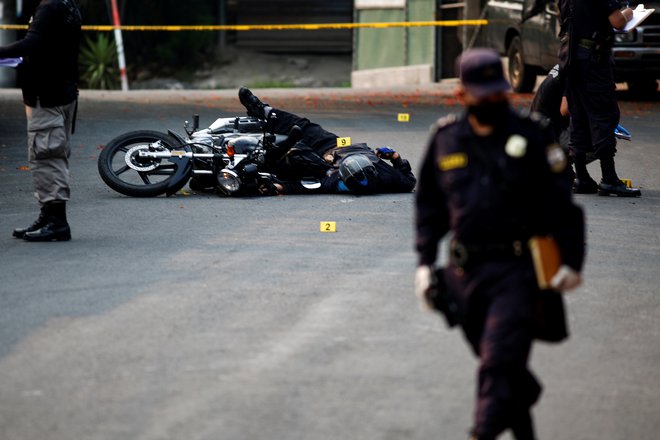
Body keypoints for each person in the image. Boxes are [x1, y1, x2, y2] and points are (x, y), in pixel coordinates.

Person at [414, 48, 586, 440]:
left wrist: (572, 262)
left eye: (498, 92)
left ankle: (483, 432)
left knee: (497, 365)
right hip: (465, 276)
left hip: (518, 272)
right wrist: (424, 265)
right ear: (462, 95)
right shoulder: (446, 139)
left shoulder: (533, 134)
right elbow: (430, 208)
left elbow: (564, 205)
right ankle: (525, 408)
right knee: (504, 368)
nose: (493, 100)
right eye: (483, 94)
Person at [237, 87, 417, 195]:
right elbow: (410, 181)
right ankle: (264, 112)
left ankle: (265, 159)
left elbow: (307, 187)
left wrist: (278, 188)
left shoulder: (337, 182)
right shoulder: (388, 177)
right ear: (372, 165)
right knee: (307, 126)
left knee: (299, 159)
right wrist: (395, 156)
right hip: (339, 146)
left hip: (321, 163)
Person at [1, 0, 82, 241]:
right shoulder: (69, 5)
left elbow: (33, 44)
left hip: (47, 95)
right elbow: (50, 46)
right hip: (60, 92)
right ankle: (48, 215)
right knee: (50, 155)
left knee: (46, 157)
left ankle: (57, 221)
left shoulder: (50, 7)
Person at [558, 0, 640, 196]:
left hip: (570, 58)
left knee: (578, 117)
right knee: (604, 115)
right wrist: (629, 12)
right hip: (593, 60)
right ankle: (609, 178)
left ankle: (582, 177)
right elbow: (618, 21)